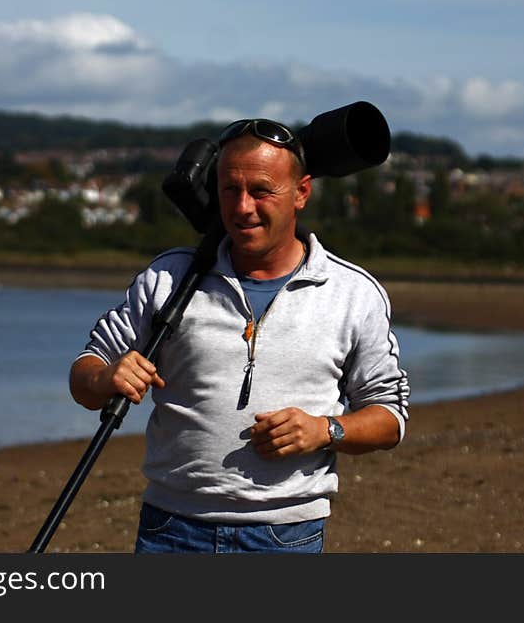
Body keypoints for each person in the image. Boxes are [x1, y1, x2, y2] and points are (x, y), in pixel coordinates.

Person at [69, 117, 410, 553]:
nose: (243, 206)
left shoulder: (353, 293)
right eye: (231, 189)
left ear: (301, 192)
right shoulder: (169, 277)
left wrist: (325, 430)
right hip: (170, 530)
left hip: (285, 536)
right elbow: (87, 370)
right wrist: (104, 378)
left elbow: (390, 415)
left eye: (262, 191)